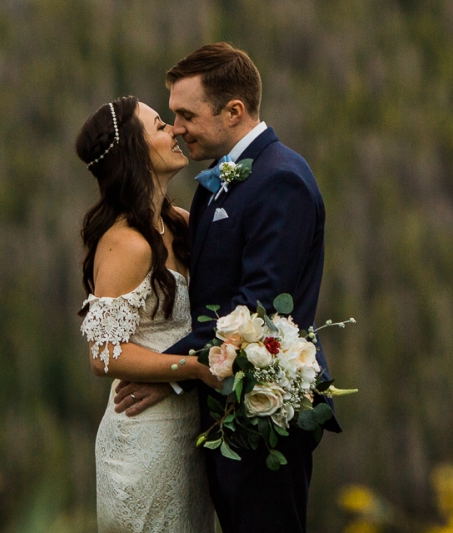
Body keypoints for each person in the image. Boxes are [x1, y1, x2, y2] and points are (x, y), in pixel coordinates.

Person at [110, 43, 335, 533]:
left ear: (234, 111)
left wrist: (168, 370)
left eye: (186, 114)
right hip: (221, 411)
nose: (177, 128)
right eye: (170, 116)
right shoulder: (215, 183)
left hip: (267, 418)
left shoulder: (282, 181)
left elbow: (256, 308)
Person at [76, 95, 220, 533]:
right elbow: (103, 355)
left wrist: (181, 377)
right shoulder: (126, 243)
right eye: (160, 125)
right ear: (135, 153)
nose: (175, 129)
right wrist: (190, 368)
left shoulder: (180, 221)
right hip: (143, 436)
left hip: (190, 433)